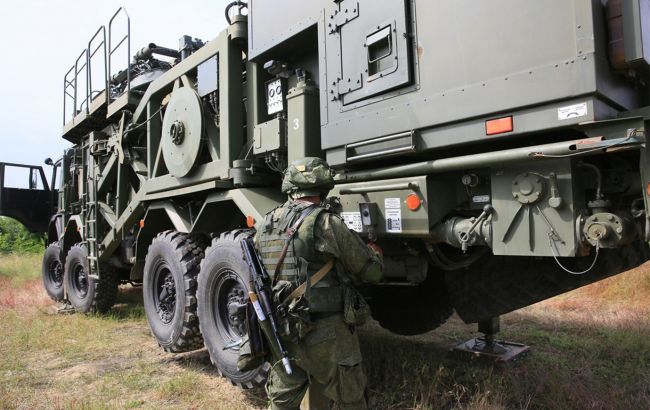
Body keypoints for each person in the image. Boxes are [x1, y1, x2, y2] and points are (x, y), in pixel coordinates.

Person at [256, 157, 383, 410]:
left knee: (282, 401)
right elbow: (371, 272)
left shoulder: (266, 224)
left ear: (290, 188)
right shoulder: (325, 222)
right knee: (350, 397)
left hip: (284, 329)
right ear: (323, 189)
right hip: (326, 331)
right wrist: (376, 253)